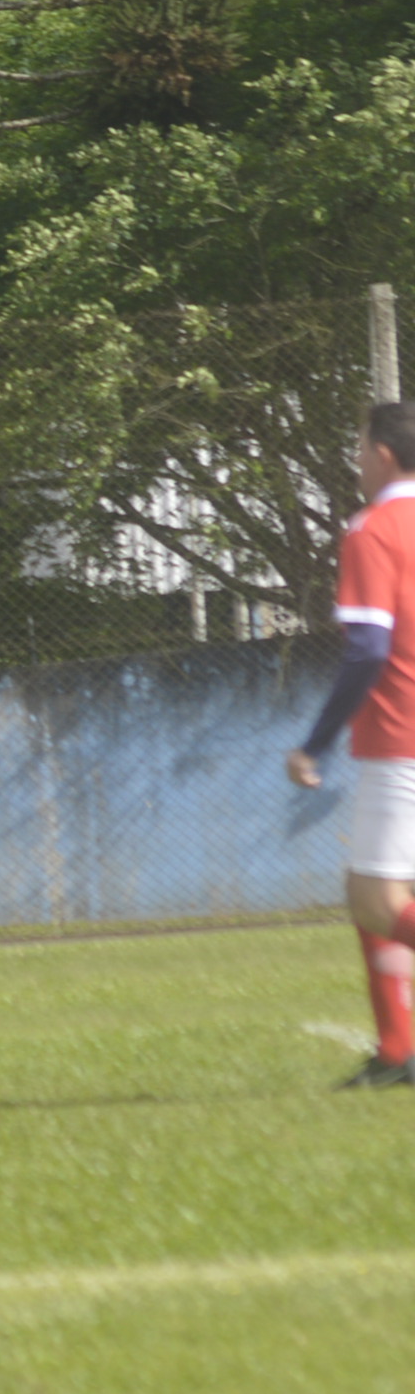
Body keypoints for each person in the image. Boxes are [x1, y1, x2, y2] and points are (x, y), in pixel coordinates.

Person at [289, 401, 415, 1088]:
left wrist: (315, 743)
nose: (357, 461)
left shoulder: (374, 530)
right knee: (374, 890)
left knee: (376, 901)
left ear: (385, 456)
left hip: (402, 734)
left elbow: (367, 648)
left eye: (361, 448)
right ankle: (398, 1053)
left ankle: (399, 1052)